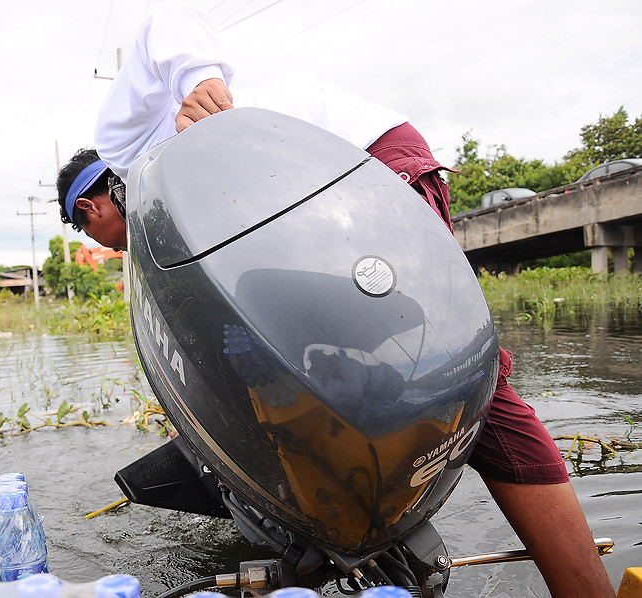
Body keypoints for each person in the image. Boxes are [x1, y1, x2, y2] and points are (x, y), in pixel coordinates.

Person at [56, 3, 616, 596]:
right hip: (306, 216)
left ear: (89, 210)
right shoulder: (168, 224)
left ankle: (585, 590)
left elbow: (160, 23)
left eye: (91, 236)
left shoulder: (125, 145)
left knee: (465, 384)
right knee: (316, 358)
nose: (107, 247)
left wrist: (201, 80)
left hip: (365, 165)